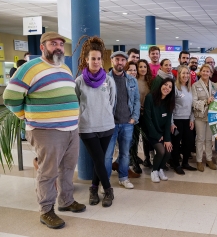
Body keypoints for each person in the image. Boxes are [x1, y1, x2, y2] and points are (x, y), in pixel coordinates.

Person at [3, 32, 85, 229]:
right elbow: (10, 97)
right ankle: (46, 210)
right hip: (46, 131)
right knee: (48, 172)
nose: (58, 47)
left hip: (71, 129)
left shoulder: (64, 67)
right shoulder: (29, 68)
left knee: (67, 168)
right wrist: (26, 115)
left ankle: (66, 200)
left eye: (60, 44)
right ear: (42, 47)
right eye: (52, 44)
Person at [75, 36, 116, 207]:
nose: (96, 61)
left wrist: (105, 113)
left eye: (99, 58)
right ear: (86, 60)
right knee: (99, 159)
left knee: (99, 160)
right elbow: (76, 103)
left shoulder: (108, 80)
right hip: (87, 127)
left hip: (106, 125)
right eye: (93, 58)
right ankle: (108, 190)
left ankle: (93, 188)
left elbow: (112, 102)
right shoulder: (79, 82)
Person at [105, 51, 141, 190]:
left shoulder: (132, 80)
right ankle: (105, 181)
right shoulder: (105, 79)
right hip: (110, 124)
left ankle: (123, 178)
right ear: (112, 61)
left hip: (127, 123)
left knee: (125, 153)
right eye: (117, 59)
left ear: (126, 62)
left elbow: (136, 99)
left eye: (122, 60)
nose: (120, 62)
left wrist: (134, 118)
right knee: (107, 155)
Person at [144, 78, 176, 182]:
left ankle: (160, 169)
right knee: (161, 151)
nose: (167, 88)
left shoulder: (169, 101)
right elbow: (147, 119)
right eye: (165, 85)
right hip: (151, 131)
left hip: (162, 131)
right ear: (161, 85)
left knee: (168, 150)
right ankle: (154, 171)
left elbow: (168, 122)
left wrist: (167, 139)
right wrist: (157, 135)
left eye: (170, 87)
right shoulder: (150, 97)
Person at [170, 66, 197, 174]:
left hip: (187, 120)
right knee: (176, 143)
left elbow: (192, 106)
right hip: (177, 121)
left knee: (188, 142)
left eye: (187, 73)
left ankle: (185, 163)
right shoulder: (175, 88)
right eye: (183, 73)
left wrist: (192, 119)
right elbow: (170, 107)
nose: (185, 75)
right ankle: (175, 164)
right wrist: (171, 123)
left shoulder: (190, 88)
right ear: (179, 75)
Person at [192, 64, 217, 171]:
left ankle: (209, 159)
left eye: (208, 71)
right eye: (203, 71)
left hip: (211, 116)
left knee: (208, 139)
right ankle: (199, 160)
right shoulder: (195, 85)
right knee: (200, 139)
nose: (205, 73)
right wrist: (205, 102)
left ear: (211, 73)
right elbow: (194, 102)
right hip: (200, 116)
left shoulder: (215, 85)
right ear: (200, 72)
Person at [131, 59, 154, 172]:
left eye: (145, 67)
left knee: (146, 138)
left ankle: (147, 159)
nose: (143, 69)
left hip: (146, 114)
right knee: (135, 139)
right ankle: (135, 162)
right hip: (135, 114)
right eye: (140, 67)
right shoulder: (133, 81)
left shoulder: (150, 82)